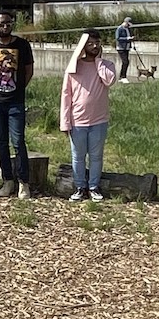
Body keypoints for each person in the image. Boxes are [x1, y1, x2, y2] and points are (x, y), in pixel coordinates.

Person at [0, 11, 36, 197]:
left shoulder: (22, 45)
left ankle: (23, 182)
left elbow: (29, 71)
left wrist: (19, 88)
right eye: (2, 24)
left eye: (9, 23)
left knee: (18, 141)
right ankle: (7, 180)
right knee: (1, 142)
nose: (6, 27)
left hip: (15, 102)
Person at [58, 31, 117, 201]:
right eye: (90, 43)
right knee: (78, 156)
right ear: (83, 46)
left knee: (96, 156)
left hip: (99, 120)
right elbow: (66, 95)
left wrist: (98, 61)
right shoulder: (73, 68)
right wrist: (65, 122)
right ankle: (79, 187)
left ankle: (93, 187)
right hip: (78, 121)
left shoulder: (107, 65)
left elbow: (109, 80)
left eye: (97, 42)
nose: (94, 46)